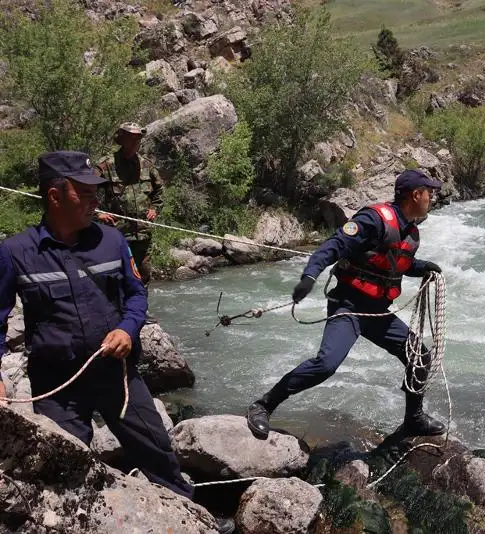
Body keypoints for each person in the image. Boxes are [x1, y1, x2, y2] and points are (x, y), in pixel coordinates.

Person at [0, 151, 233, 534]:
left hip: (117, 373)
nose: (96, 201)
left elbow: (136, 295)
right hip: (57, 385)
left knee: (157, 448)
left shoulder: (112, 241)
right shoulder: (15, 253)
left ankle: (192, 517)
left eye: (97, 192)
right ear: (55, 197)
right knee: (64, 466)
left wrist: (127, 329)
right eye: (86, 192)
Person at [247, 169, 447, 440]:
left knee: (419, 356)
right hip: (349, 306)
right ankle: (264, 405)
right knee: (326, 364)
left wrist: (422, 268)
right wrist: (308, 277)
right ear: (416, 194)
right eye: (429, 193)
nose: (432, 198)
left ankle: (413, 419)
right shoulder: (373, 219)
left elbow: (396, 263)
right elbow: (332, 246)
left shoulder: (410, 230)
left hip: (377, 311)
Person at [95, 122, 163, 287]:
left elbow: (159, 192)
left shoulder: (147, 165)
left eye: (138, 139)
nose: (135, 143)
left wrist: (155, 209)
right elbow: (85, 191)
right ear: (122, 139)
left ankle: (141, 311)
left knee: (143, 275)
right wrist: (97, 214)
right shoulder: (106, 165)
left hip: (142, 233)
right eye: (131, 139)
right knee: (118, 276)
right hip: (117, 233)